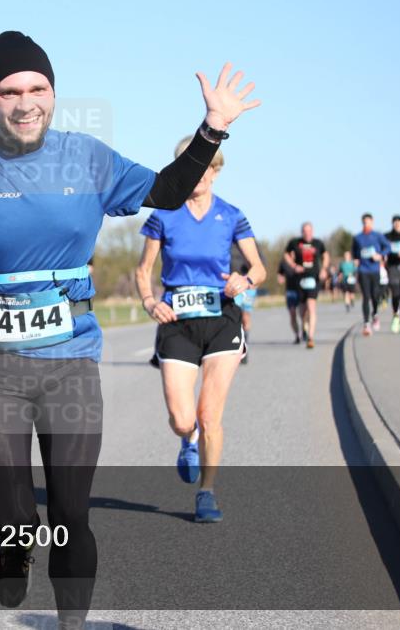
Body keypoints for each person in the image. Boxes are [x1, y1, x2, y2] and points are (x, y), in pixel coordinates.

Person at [0, 31, 260, 628]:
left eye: (38, 88)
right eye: (9, 90)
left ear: (53, 94)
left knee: (72, 513)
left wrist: (211, 129)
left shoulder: (88, 157)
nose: (25, 102)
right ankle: (13, 544)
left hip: (71, 357)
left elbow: (166, 189)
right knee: (12, 511)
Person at [136, 136, 265, 523]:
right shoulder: (163, 215)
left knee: (210, 415)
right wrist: (149, 302)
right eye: (193, 166)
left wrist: (245, 281)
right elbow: (144, 271)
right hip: (176, 321)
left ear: (216, 170)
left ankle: (207, 493)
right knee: (182, 418)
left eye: (208, 166)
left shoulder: (231, 214)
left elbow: (259, 268)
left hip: (222, 318)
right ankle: (187, 439)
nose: (201, 174)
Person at [283, 223, 328, 349]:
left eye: (309, 230)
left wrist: (324, 269)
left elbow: (326, 255)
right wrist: (293, 265)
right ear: (302, 231)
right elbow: (286, 254)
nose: (307, 233)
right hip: (300, 280)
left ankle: (311, 337)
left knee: (311, 306)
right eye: (305, 231)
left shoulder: (318, 243)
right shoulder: (295, 242)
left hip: (314, 278)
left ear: (312, 231)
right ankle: (305, 327)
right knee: (302, 311)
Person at [351, 213, 390, 336]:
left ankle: (375, 314)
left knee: (374, 295)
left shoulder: (377, 236)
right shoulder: (358, 237)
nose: (366, 224)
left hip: (374, 269)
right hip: (363, 270)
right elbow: (354, 252)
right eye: (364, 222)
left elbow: (388, 247)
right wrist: (355, 259)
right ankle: (366, 324)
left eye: (368, 222)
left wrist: (380, 255)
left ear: (372, 222)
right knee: (365, 296)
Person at [278, 255, 303, 344]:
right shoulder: (284, 263)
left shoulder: (300, 259)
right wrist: (281, 278)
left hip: (301, 290)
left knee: (302, 313)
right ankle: (297, 335)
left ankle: (305, 329)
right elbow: (280, 276)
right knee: (292, 314)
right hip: (290, 291)